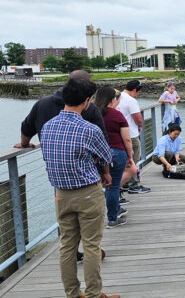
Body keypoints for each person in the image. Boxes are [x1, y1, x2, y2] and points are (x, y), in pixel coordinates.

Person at [14, 70, 108, 262]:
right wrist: (105, 172)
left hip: (59, 180)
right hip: (87, 180)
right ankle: (92, 286)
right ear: (87, 95)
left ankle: (73, 260)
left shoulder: (42, 105)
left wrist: (24, 144)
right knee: (91, 236)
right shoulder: (89, 109)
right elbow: (103, 145)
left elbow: (27, 128)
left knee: (67, 236)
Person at [39, 74, 119, 298]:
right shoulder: (89, 129)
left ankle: (72, 294)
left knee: (67, 245)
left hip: (61, 194)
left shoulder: (47, 127)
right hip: (87, 192)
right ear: (86, 101)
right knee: (92, 245)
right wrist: (104, 173)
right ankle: (94, 293)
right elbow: (105, 156)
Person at [94, 86, 134, 229]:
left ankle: (108, 212)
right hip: (116, 153)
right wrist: (130, 155)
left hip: (96, 155)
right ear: (112, 99)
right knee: (113, 186)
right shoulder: (116, 115)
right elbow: (127, 139)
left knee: (98, 186)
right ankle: (112, 218)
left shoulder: (91, 113)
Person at [117, 79, 151, 194]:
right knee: (133, 161)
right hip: (131, 134)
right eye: (138, 92)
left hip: (119, 134)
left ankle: (125, 183)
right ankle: (133, 185)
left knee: (124, 161)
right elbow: (137, 117)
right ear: (135, 90)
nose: (138, 94)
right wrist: (141, 124)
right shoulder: (131, 100)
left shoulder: (118, 97)